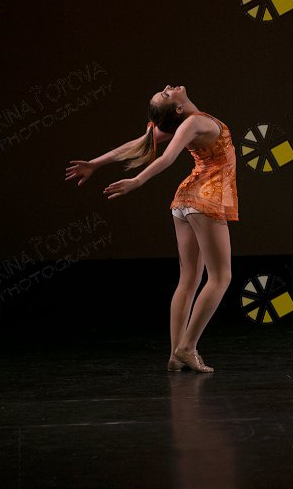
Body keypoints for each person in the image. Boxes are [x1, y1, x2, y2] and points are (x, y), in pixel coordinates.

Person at [66, 85, 238, 372]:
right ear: (178, 108)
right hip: (206, 199)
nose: (168, 88)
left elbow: (140, 142)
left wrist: (95, 163)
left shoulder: (186, 124)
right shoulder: (194, 122)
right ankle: (187, 348)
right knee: (221, 277)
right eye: (166, 95)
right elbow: (167, 158)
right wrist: (137, 181)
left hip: (184, 202)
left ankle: (175, 356)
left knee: (189, 279)